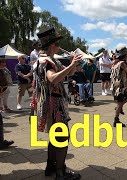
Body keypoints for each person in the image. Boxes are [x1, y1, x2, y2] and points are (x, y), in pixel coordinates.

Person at [32, 26, 82, 179]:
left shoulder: (50, 59)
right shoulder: (46, 61)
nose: (60, 46)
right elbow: (53, 78)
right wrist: (71, 65)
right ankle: (60, 172)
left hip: (52, 103)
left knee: (55, 137)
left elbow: (70, 73)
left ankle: (51, 167)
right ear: (52, 45)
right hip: (54, 105)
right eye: (57, 43)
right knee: (61, 137)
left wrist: (74, 64)